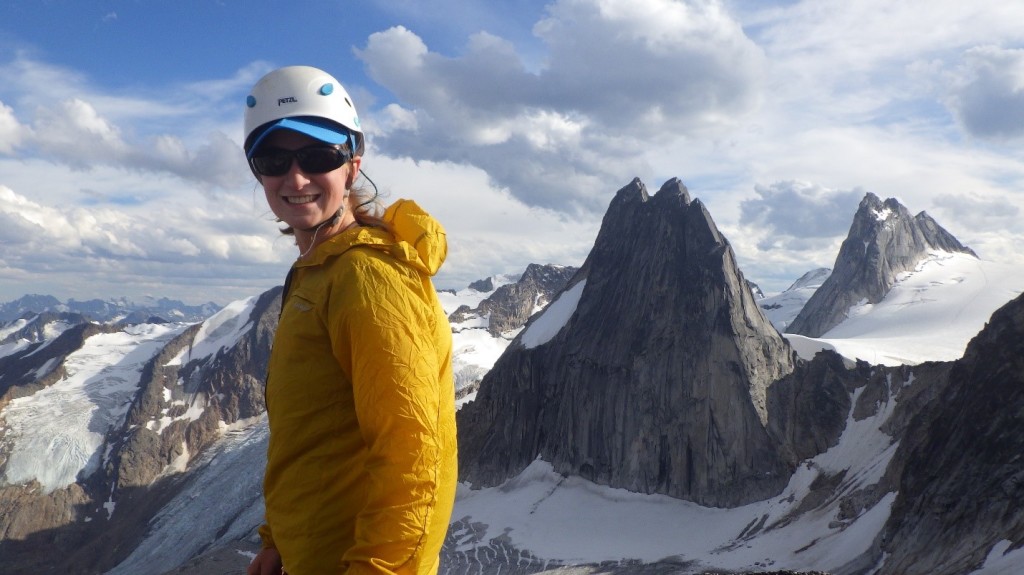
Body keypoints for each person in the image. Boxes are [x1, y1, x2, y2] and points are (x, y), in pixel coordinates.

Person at [242, 65, 458, 575]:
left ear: (352, 165)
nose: (294, 178)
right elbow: (313, 435)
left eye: (317, 156)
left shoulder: (366, 276)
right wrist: (277, 542)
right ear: (257, 171)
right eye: (273, 159)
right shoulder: (319, 270)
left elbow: (413, 454)